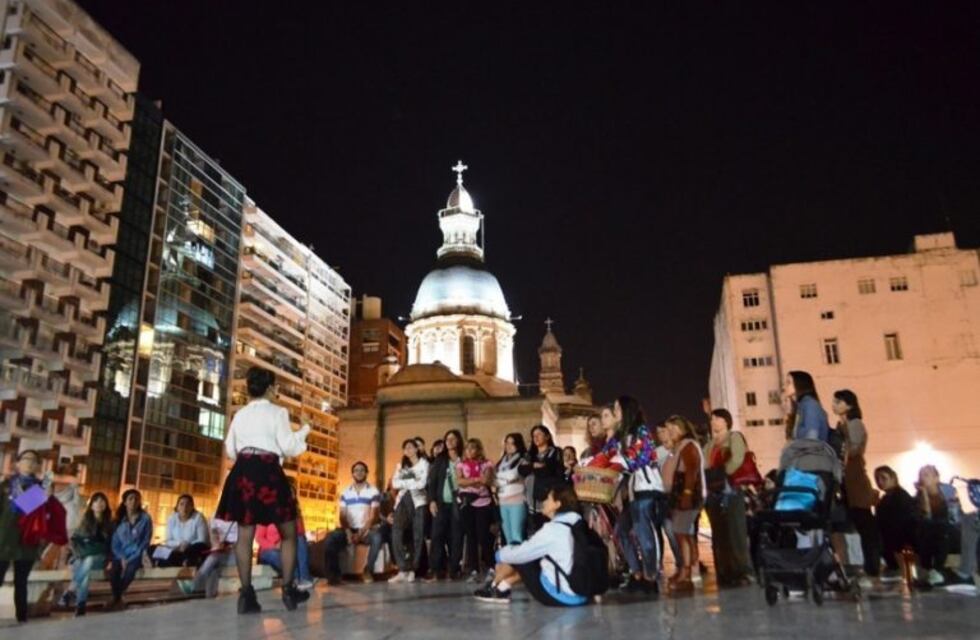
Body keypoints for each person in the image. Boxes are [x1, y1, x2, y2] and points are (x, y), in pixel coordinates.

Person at [216, 366, 311, 613]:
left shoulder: (240, 414)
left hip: (244, 470)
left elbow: (229, 449)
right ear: (269, 388)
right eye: (276, 386)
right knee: (289, 531)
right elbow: (290, 447)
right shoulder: (278, 412)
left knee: (244, 535)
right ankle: (289, 590)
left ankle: (246, 596)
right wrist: (305, 430)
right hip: (268, 470)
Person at [473, 485, 588, 606]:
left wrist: (499, 555)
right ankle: (502, 587)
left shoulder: (553, 530)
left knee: (516, 550)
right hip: (581, 593)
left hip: (560, 595)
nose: (544, 502)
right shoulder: (579, 524)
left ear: (557, 504)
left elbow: (521, 554)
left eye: (548, 499)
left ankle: (494, 585)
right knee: (526, 555)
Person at [613, 396, 664, 595]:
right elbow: (608, 457)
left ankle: (651, 576)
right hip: (633, 493)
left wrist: (616, 463)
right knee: (621, 531)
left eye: (617, 408)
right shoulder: (620, 436)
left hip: (647, 489)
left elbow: (638, 459)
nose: (615, 411)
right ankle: (637, 573)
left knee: (646, 535)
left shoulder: (641, 431)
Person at [831, 390, 881, 583]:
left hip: (855, 479)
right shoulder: (841, 425)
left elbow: (853, 448)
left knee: (864, 525)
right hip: (845, 480)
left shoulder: (854, 424)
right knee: (843, 526)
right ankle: (849, 567)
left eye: (838, 401)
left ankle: (872, 568)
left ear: (849, 405)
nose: (834, 405)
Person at [702, 409, 753, 587]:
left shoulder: (734, 438)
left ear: (726, 421)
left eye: (717, 418)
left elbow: (737, 459)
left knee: (736, 531)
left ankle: (741, 571)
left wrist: (722, 475)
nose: (713, 421)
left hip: (731, 489)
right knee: (719, 533)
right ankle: (724, 571)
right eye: (712, 418)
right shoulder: (709, 444)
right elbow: (704, 465)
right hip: (714, 491)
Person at [0, 450, 51, 623]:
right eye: (25, 459)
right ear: (18, 463)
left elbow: (26, 506)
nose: (29, 462)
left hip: (27, 541)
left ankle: (22, 618)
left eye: (33, 460)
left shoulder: (42, 487)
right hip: (4, 538)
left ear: (38, 465)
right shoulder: (6, 484)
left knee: (21, 582)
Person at [662, 415, 705, 593]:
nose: (670, 433)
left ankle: (687, 573)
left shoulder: (688, 446)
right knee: (682, 533)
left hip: (687, 496)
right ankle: (684, 571)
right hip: (678, 496)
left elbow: (691, 471)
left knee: (682, 533)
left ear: (681, 428)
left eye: (672, 429)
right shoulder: (679, 446)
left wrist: (687, 493)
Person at [324, 461, 384, 584]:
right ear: (352, 474)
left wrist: (361, 533)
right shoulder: (345, 493)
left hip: (366, 529)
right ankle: (334, 575)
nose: (359, 472)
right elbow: (342, 516)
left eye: (362, 470)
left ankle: (368, 570)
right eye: (356, 470)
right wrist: (348, 532)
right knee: (330, 538)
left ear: (366, 473)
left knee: (377, 538)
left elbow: (374, 516)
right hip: (349, 529)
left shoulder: (373, 491)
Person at [60, 492, 113, 616]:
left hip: (101, 559)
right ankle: (80, 606)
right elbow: (74, 540)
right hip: (83, 558)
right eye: (96, 501)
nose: (99, 503)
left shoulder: (110, 524)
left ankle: (70, 590)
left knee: (87, 561)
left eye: (102, 501)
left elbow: (108, 546)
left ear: (106, 505)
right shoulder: (85, 522)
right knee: (85, 571)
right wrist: (81, 551)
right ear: (92, 505)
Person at [426, 429, 465, 581]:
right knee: (437, 536)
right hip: (441, 503)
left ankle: (454, 569)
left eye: (453, 438)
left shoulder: (463, 459)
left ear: (458, 441)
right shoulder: (440, 460)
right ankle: (436, 569)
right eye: (447, 439)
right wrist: (432, 501)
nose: (450, 441)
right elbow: (432, 482)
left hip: (459, 503)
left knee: (456, 536)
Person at [390, 439, 430, 583]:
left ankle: (413, 569)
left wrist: (406, 481)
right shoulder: (402, 466)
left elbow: (422, 483)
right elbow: (394, 483)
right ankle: (402, 568)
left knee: (417, 534)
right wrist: (412, 480)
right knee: (397, 532)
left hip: (418, 501)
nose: (408, 450)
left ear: (416, 449)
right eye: (405, 447)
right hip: (402, 500)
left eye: (410, 447)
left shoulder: (424, 464)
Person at [457, 438, 495, 581]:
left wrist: (470, 481)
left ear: (478, 450)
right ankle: (473, 569)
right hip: (467, 503)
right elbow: (459, 481)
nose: (470, 451)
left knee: (483, 535)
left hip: (483, 503)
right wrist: (477, 479)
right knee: (471, 536)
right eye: (467, 448)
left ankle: (491, 566)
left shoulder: (487, 464)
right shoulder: (461, 464)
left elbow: (486, 481)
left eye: (473, 448)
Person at [914, 465, 958, 586]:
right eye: (920, 475)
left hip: (950, 531)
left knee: (940, 527)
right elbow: (926, 516)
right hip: (931, 533)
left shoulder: (948, 492)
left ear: (936, 478)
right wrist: (923, 494)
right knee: (926, 526)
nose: (922, 478)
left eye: (926, 474)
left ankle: (936, 569)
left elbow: (954, 517)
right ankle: (930, 569)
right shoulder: (919, 496)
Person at [108, 489, 153, 609]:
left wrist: (133, 556)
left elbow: (146, 540)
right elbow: (115, 543)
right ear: (124, 502)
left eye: (136, 499)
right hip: (120, 554)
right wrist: (122, 557)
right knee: (113, 572)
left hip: (137, 553)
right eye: (130, 498)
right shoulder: (118, 520)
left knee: (130, 570)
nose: (133, 501)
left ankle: (115, 598)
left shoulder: (145, 519)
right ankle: (118, 597)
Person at [177, 516, 238, 598]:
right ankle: (209, 597)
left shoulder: (240, 519)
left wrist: (230, 547)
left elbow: (244, 543)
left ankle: (194, 585)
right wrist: (217, 544)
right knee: (214, 567)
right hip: (220, 554)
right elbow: (213, 538)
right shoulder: (215, 518)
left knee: (214, 557)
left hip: (236, 555)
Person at [873, 465, 916, 581]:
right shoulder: (886, 498)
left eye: (883, 478)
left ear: (893, 478)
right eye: (877, 479)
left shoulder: (900, 496)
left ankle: (897, 569)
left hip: (899, 536)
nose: (880, 482)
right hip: (888, 538)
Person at [519, 425, 564, 533]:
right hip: (531, 501)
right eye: (533, 435)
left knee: (547, 531)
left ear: (547, 436)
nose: (536, 438)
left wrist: (530, 468)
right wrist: (534, 466)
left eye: (539, 434)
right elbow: (521, 469)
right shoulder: (530, 455)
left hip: (546, 500)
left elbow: (548, 470)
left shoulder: (554, 452)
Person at [151, 494, 210, 568]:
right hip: (175, 549)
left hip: (192, 549)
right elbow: (168, 540)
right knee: (152, 548)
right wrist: (179, 545)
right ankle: (180, 561)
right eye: (181, 504)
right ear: (177, 507)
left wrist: (187, 544)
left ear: (192, 507)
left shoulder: (198, 517)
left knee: (197, 547)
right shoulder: (172, 518)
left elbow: (203, 540)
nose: (184, 507)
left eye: (188, 504)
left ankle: (165, 562)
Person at [495, 433, 528, 545]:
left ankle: (519, 560)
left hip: (516, 501)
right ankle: (510, 560)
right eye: (507, 443)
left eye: (512, 443)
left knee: (516, 534)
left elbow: (514, 477)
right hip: (502, 501)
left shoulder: (522, 461)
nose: (509, 446)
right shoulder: (501, 462)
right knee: (507, 535)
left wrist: (504, 480)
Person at [783, 370, 829, 442]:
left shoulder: (810, 405)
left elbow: (812, 438)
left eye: (788, 383)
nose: (784, 386)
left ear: (800, 384)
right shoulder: (801, 406)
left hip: (812, 452)